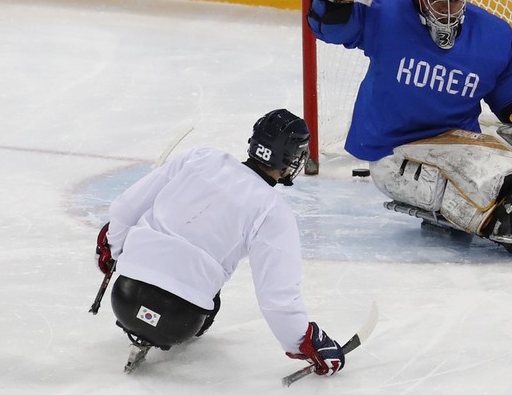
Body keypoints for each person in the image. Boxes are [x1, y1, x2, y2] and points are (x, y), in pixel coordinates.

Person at [306, 0, 512, 256]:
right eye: (439, 3)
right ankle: (509, 220)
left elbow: (508, 84)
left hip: (458, 141)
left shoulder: (492, 34)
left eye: (455, 2)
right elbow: (332, 29)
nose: (448, 11)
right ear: (420, 0)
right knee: (471, 183)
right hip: (392, 150)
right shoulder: (387, 17)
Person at [94, 109, 345, 374]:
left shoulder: (201, 157)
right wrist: (305, 342)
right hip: (180, 321)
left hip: (124, 298)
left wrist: (114, 249)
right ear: (292, 157)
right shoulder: (273, 210)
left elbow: (124, 209)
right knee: (209, 291)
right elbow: (278, 298)